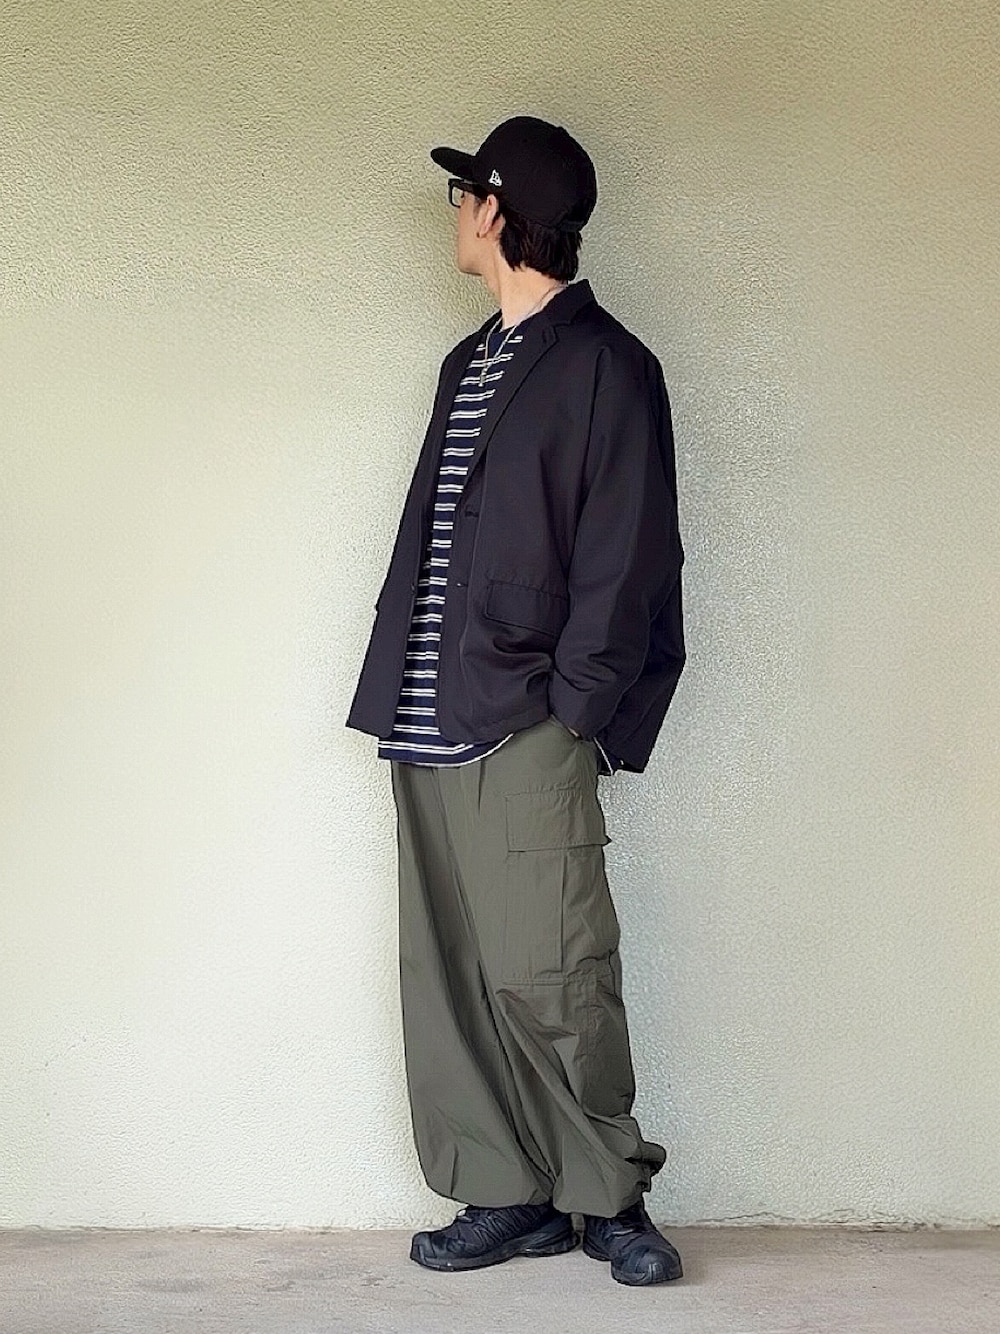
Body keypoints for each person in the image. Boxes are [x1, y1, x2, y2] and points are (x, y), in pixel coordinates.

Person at [345, 115, 686, 1287]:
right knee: (447, 971)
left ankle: (607, 1196)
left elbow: (630, 556)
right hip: (425, 711)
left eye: (463, 197)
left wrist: (575, 710)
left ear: (495, 210)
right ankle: (505, 1191)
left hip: (525, 717)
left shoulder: (606, 365)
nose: (453, 216)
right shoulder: (468, 361)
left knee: (556, 968)